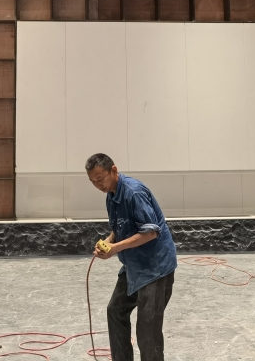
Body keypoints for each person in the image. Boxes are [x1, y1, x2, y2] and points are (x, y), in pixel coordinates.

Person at [86, 153, 177, 361]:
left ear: (114, 170)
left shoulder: (134, 192)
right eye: (92, 181)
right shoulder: (111, 195)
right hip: (134, 265)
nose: (97, 185)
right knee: (116, 311)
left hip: (155, 268)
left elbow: (150, 232)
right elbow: (120, 227)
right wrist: (108, 242)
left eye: (100, 179)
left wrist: (115, 248)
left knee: (147, 330)